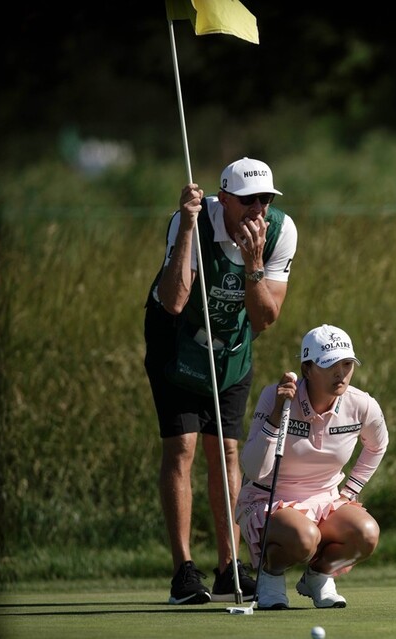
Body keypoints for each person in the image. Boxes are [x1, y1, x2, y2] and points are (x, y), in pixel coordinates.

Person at [144, 157, 298, 605]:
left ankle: (231, 567)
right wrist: (189, 230)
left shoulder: (281, 232)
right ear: (224, 199)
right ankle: (183, 573)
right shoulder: (190, 219)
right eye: (248, 200)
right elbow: (173, 301)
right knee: (183, 446)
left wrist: (253, 264)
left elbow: (265, 319)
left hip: (231, 346)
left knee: (227, 449)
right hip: (176, 341)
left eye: (265, 199)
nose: (258, 209)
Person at [236, 324, 389, 609]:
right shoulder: (276, 396)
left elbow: (378, 445)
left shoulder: (361, 404)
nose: (340, 373)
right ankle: (270, 575)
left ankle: (318, 577)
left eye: (346, 364)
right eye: (330, 365)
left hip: (326, 500)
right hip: (267, 499)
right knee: (305, 537)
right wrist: (276, 415)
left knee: (367, 533)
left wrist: (351, 490)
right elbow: (255, 469)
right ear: (307, 369)